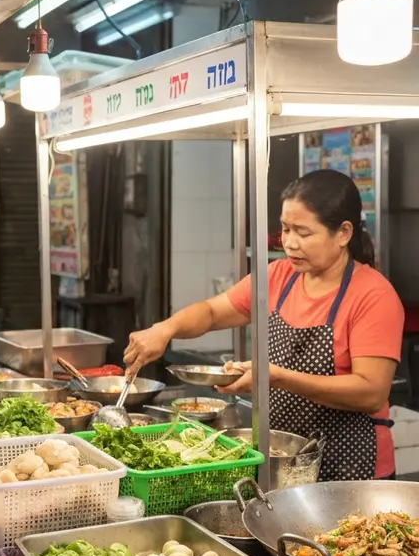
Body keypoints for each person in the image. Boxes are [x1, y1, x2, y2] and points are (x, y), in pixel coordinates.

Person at [125, 169, 404, 481]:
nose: (290, 243)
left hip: (351, 465)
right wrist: (165, 329)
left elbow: (370, 392)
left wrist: (275, 377)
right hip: (284, 457)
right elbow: (213, 312)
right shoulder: (278, 276)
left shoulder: (373, 295)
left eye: (304, 232)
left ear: (343, 233)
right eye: (285, 230)